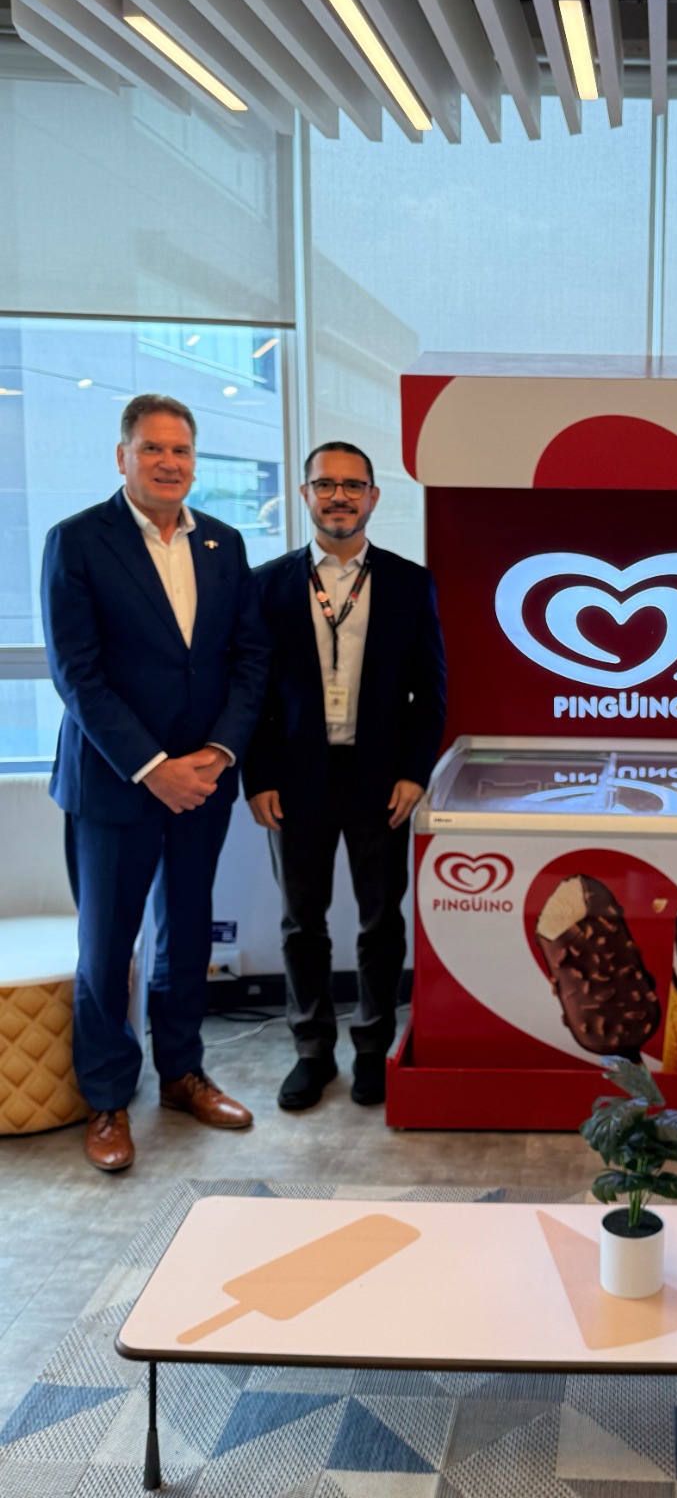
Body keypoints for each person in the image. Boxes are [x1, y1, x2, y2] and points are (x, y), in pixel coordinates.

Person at [41, 394, 270, 1172]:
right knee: (108, 945)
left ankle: (181, 1074)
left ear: (195, 461)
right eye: (152, 449)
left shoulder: (223, 542)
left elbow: (249, 659)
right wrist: (153, 768)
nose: (168, 462)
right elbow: (77, 674)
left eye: (181, 450)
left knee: (187, 930)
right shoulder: (77, 541)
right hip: (115, 784)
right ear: (122, 457)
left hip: (202, 780)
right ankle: (108, 1098)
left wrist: (218, 753)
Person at [244, 442, 447, 1112]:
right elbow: (252, 692)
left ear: (373, 498)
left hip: (380, 781)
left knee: (380, 921)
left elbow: (430, 692)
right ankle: (311, 1049)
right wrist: (257, 776)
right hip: (294, 781)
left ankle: (371, 1047)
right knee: (301, 922)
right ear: (305, 494)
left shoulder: (409, 583)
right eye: (325, 485)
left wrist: (415, 773)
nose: (339, 497)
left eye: (353, 486)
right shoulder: (267, 585)